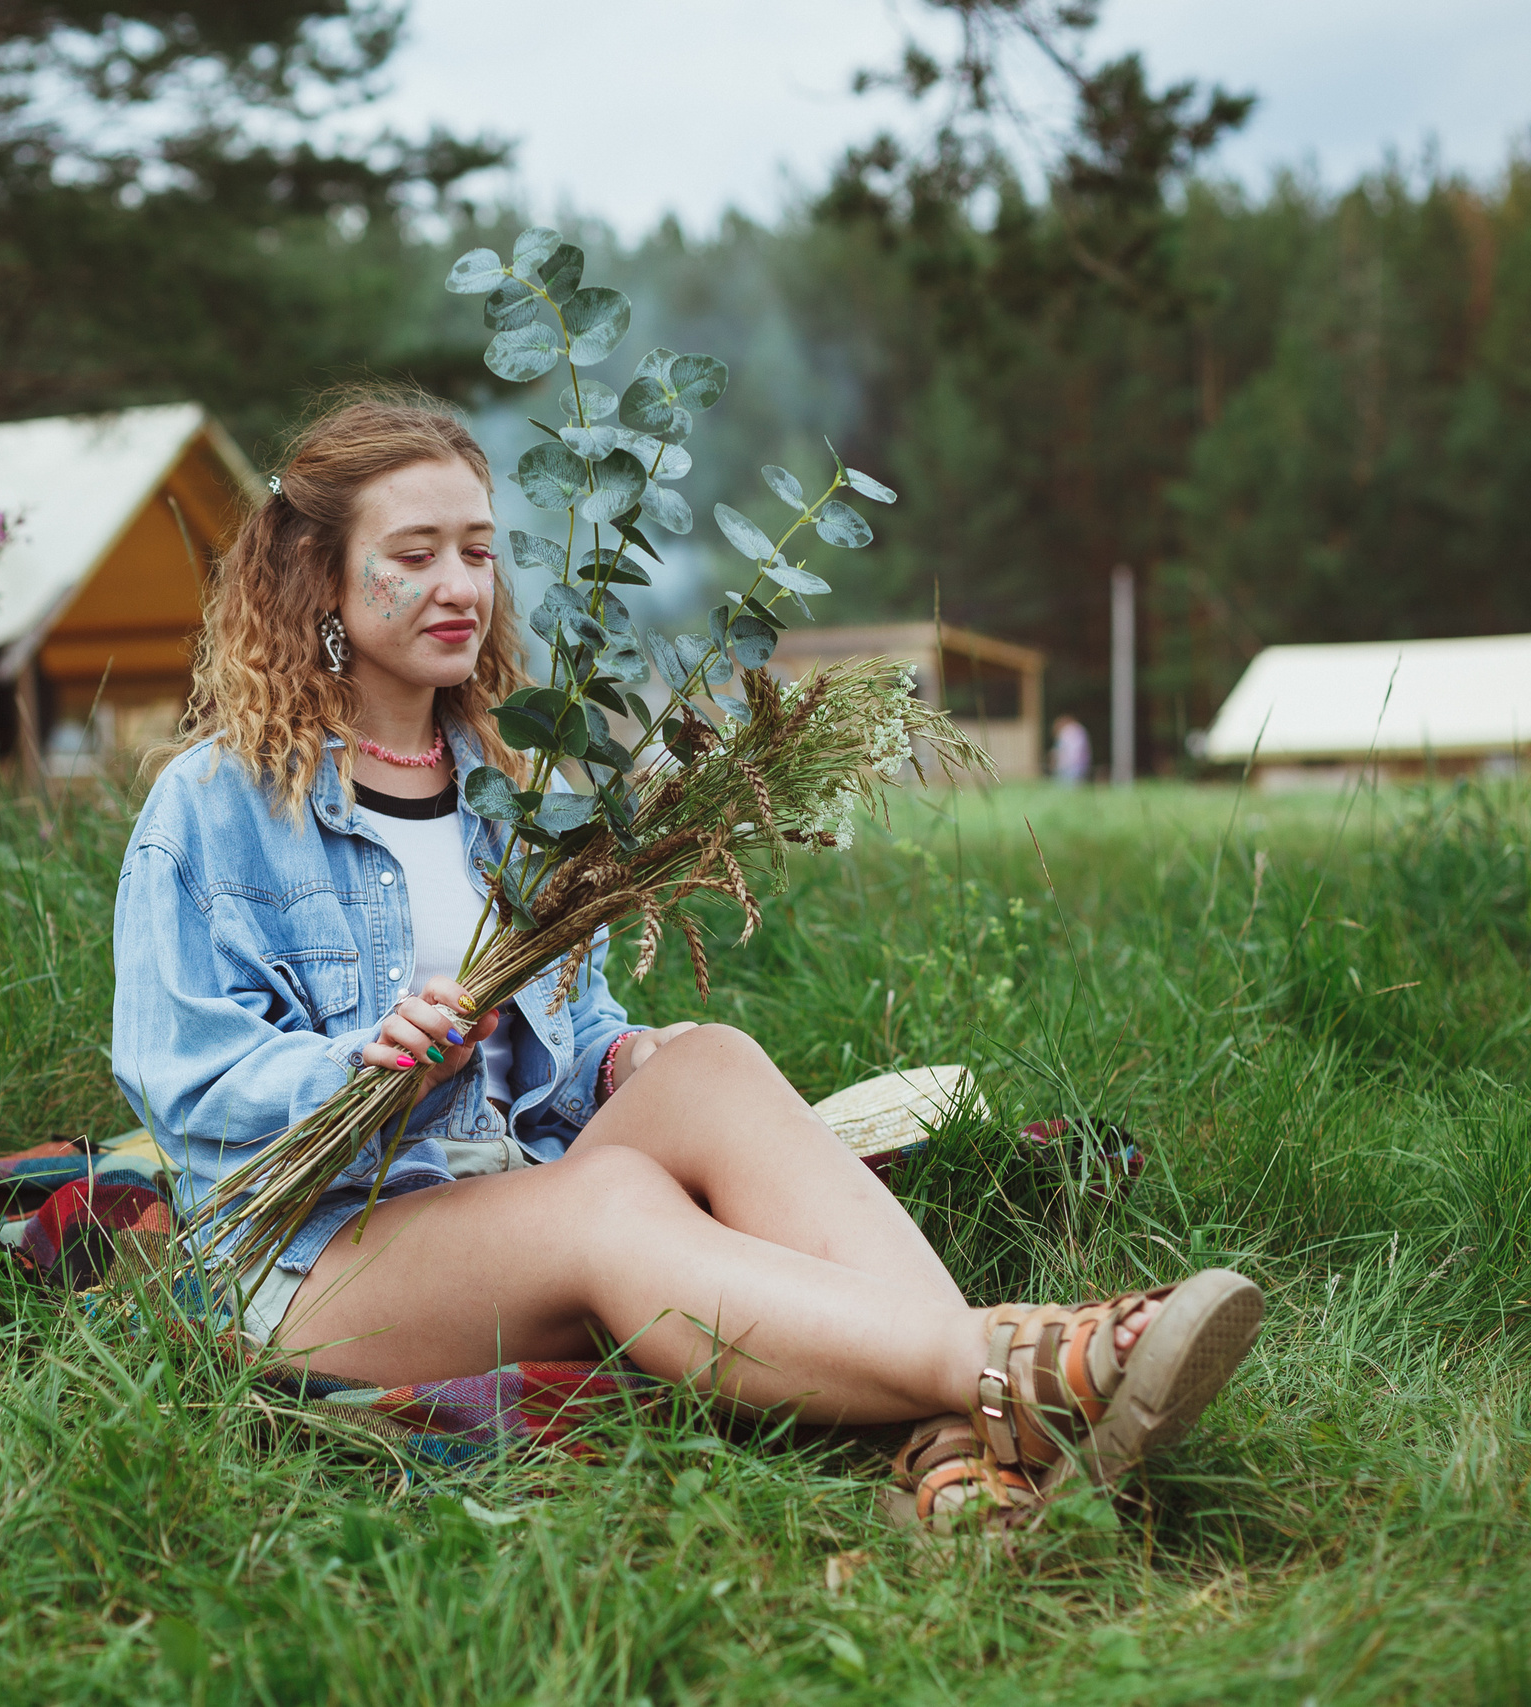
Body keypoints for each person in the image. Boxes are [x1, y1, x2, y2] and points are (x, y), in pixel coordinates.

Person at [110, 391, 1262, 1528]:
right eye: (414, 554)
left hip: (510, 1188)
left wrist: (621, 1063)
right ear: (320, 575)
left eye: (478, 550)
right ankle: (1021, 1360)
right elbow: (183, 1082)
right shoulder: (215, 805)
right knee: (609, 1201)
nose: (460, 585)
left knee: (710, 1058)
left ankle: (955, 1445)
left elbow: (571, 1033)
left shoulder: (521, 790)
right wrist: (361, 1066)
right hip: (319, 1258)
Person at [1051, 713, 1092, 785]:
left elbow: (1065, 751)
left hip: (1069, 767)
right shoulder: (1080, 730)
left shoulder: (1067, 732)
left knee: (1066, 786)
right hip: (1080, 766)